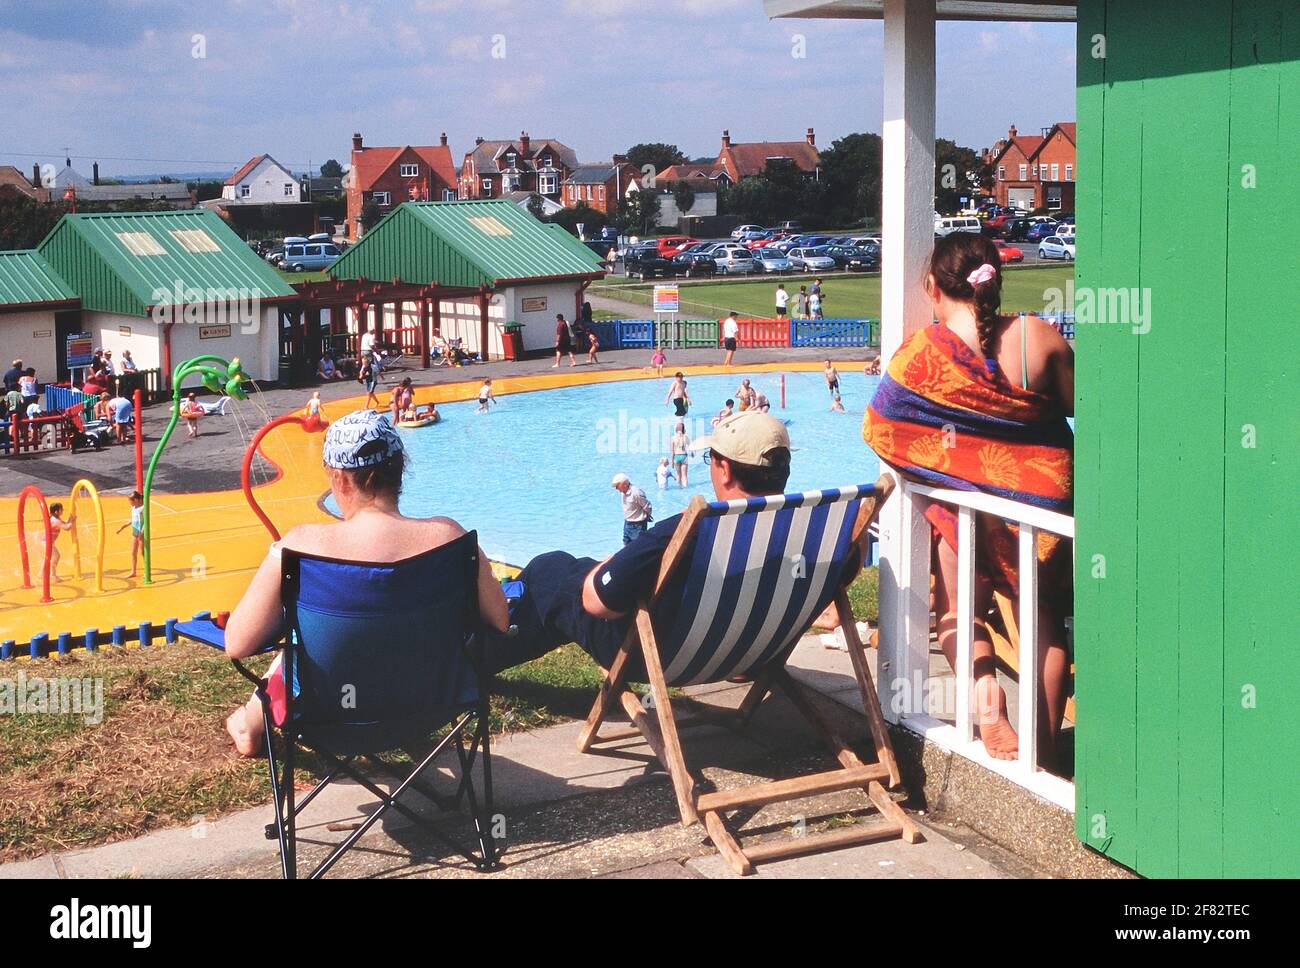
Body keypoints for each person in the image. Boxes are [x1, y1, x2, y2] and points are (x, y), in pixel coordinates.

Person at [863, 232, 1074, 766]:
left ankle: (986, 699)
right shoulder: (1036, 336)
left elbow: (883, 427)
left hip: (963, 509)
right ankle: (1043, 757)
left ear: (933, 287)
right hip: (1041, 510)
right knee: (1042, 621)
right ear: (996, 281)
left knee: (957, 608)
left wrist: (958, 468)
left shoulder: (919, 356)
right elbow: (1089, 406)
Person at [222, 410, 510, 756]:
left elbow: (237, 644)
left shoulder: (299, 547)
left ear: (341, 481)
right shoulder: (451, 538)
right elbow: (500, 619)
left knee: (298, 645)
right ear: (399, 468)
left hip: (326, 716)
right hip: (432, 707)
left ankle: (250, 721)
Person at [484, 412, 793, 676]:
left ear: (724, 470)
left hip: (658, 655)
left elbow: (597, 602)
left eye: (711, 458)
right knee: (575, 571)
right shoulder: (809, 529)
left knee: (550, 573)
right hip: (747, 653)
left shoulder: (691, 530)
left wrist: (607, 566)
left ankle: (473, 657)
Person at [611, 472, 652, 545]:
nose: (617, 489)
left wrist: (647, 516)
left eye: (617, 486)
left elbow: (647, 506)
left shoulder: (636, 492)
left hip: (638, 525)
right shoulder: (623, 492)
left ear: (625, 484)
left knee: (638, 547)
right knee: (626, 546)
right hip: (627, 523)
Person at [115, 490, 144, 579]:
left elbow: (146, 522)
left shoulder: (143, 508)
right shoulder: (133, 508)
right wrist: (122, 527)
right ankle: (133, 571)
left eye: (130, 501)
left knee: (142, 552)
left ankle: (147, 571)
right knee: (133, 553)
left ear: (136, 500)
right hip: (135, 533)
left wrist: (142, 532)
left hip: (141, 534)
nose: (129, 503)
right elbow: (131, 520)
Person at [46, 502, 76, 582]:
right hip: (46, 542)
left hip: (47, 542)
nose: (63, 510)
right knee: (56, 556)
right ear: (56, 512)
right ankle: (53, 575)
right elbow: (67, 528)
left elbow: (64, 523)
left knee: (48, 557)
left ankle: (42, 574)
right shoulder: (55, 520)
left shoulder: (55, 518)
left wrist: (70, 520)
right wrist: (72, 521)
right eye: (61, 509)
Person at [670, 421, 691, 487]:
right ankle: (686, 489)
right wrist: (692, 454)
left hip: (676, 456)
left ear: (676, 429)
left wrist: (672, 462)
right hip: (684, 456)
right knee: (684, 476)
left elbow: (672, 451)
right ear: (683, 429)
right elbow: (691, 447)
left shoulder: (673, 438)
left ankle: (679, 488)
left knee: (678, 475)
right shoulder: (686, 437)